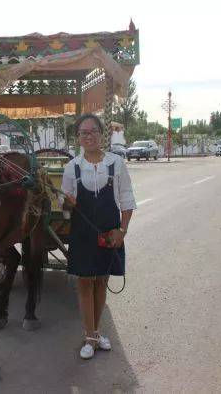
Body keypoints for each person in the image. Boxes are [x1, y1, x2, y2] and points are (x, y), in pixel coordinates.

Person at [61, 114, 136, 360]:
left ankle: (96, 331)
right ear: (78, 137)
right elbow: (65, 207)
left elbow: (126, 199)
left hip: (109, 231)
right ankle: (91, 336)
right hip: (82, 233)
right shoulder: (72, 168)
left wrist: (122, 231)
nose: (89, 136)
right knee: (84, 283)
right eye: (84, 132)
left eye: (93, 131)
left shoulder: (116, 163)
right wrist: (67, 204)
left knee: (101, 282)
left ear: (102, 134)